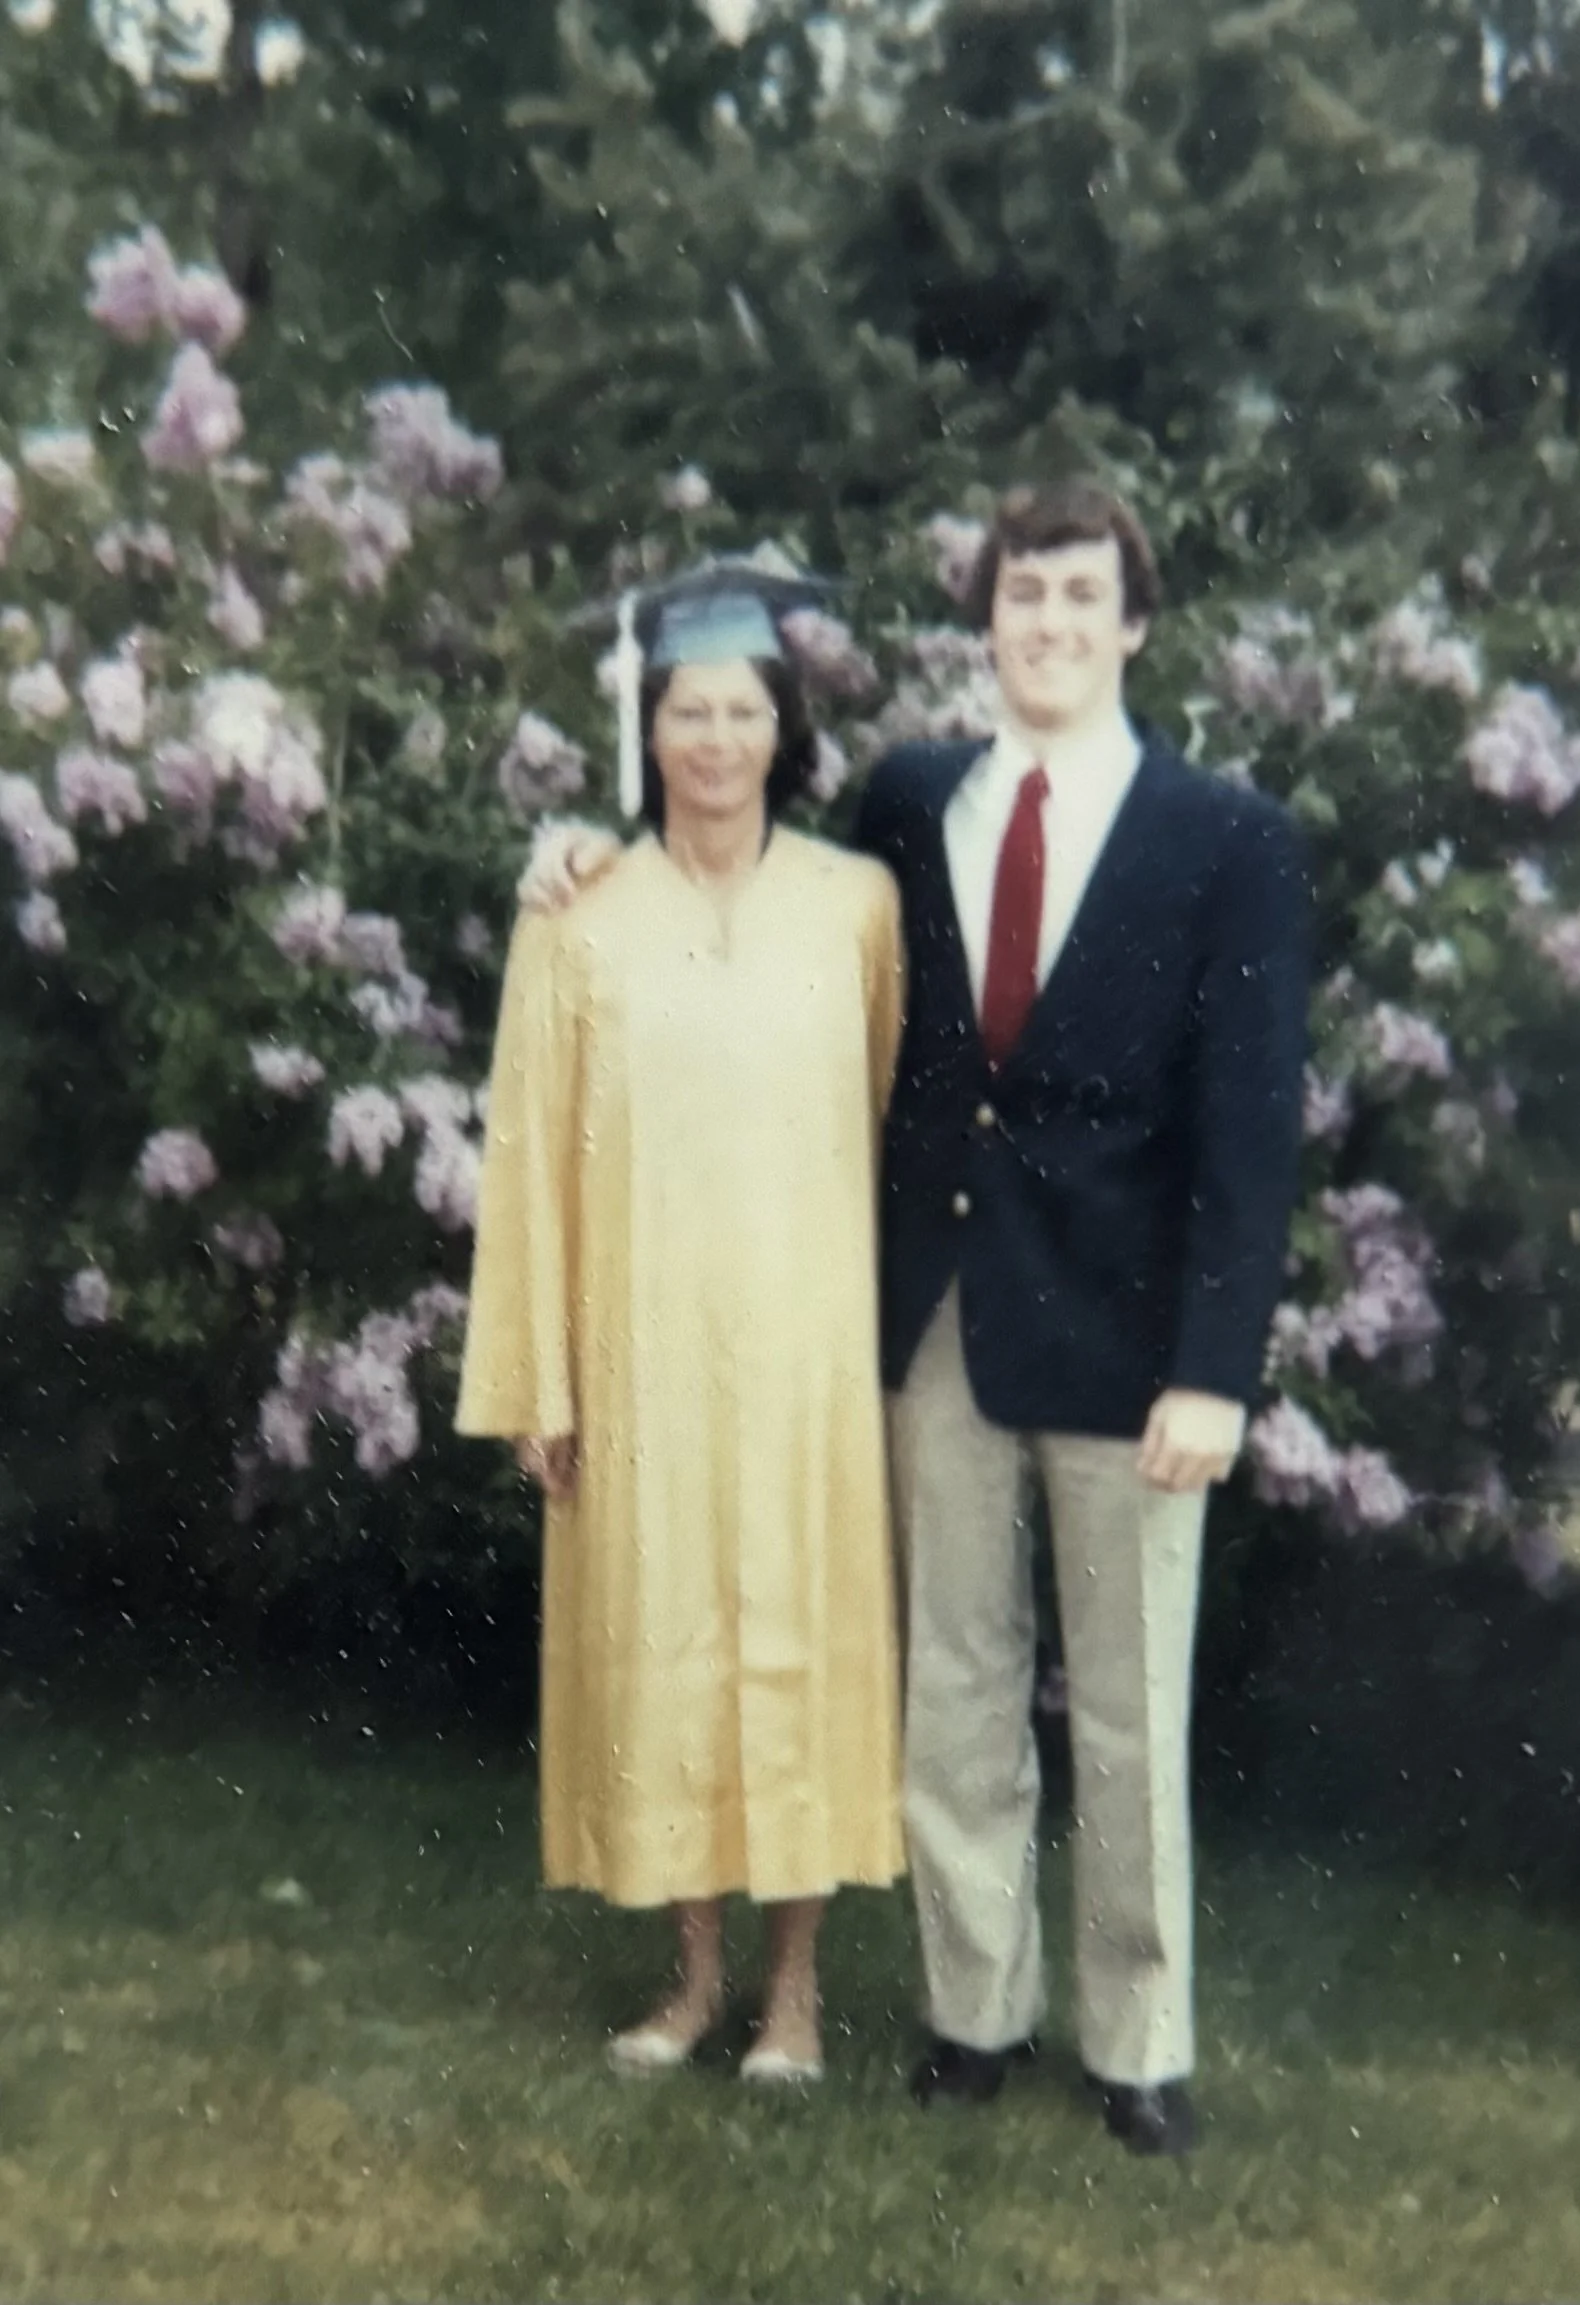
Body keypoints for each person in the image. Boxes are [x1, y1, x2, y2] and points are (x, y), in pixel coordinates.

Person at [856, 476, 1311, 2154]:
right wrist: (581, 860)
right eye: (1021, 595)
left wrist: (1216, 1370)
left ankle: (1138, 2042)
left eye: (1078, 597)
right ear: (985, 621)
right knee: (956, 1684)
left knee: (1129, 1708)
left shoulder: (1227, 840)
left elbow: (1251, 1132)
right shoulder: (911, 801)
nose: (1046, 624)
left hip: (1133, 1347)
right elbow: (767, 906)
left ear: (1135, 626)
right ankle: (974, 2010)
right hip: (942, 1316)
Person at [456, 565, 906, 2086]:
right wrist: (538, 1377)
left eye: (743, 714)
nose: (715, 742)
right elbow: (531, 1152)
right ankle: (697, 1979)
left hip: (804, 1352)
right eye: (688, 714)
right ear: (649, 733)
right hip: (639, 1348)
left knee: (799, 1655)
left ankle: (798, 1996)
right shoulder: (580, 915)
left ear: (785, 732)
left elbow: (884, 1105)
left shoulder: (856, 905)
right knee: (670, 1657)